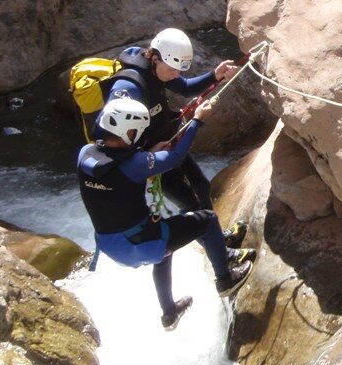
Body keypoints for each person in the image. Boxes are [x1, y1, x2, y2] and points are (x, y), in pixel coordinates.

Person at [77, 96, 254, 330]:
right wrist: (197, 121)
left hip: (111, 244)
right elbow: (175, 158)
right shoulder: (135, 164)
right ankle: (225, 280)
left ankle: (169, 313)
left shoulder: (86, 154)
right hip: (142, 242)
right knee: (207, 220)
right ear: (128, 132)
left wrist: (148, 153)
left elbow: (120, 169)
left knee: (165, 249)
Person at [100, 27, 239, 227]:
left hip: (169, 141)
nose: (175, 75)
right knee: (190, 204)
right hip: (151, 156)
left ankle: (215, 236)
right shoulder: (128, 88)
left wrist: (215, 75)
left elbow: (185, 88)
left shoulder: (157, 70)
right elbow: (110, 134)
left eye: (178, 71)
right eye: (172, 70)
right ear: (155, 57)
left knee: (201, 184)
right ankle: (214, 245)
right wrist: (145, 153)